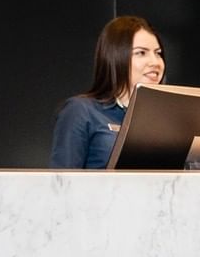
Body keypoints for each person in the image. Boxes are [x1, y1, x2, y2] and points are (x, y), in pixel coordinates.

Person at [50, 16, 166, 168]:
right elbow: (61, 184)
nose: (155, 62)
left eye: (158, 53)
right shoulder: (80, 110)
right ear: (116, 56)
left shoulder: (162, 120)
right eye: (141, 53)